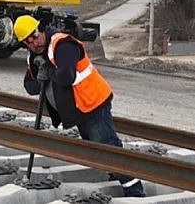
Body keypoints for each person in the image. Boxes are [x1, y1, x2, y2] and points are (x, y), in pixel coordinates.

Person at [13, 14, 146, 198]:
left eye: (34, 36)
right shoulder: (34, 57)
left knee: (109, 149)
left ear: (41, 29)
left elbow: (67, 76)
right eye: (28, 41)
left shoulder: (62, 44)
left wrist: (49, 71)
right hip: (80, 109)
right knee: (99, 151)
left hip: (94, 103)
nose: (34, 43)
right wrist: (41, 77)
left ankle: (135, 194)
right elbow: (30, 86)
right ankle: (115, 180)